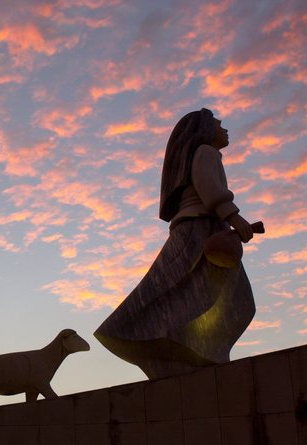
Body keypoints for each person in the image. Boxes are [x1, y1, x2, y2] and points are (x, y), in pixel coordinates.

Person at [94, 108, 256, 379]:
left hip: (205, 228)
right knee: (187, 292)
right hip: (201, 230)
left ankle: (193, 351)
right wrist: (233, 216)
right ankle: (166, 342)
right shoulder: (205, 151)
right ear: (204, 130)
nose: (225, 129)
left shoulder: (205, 152)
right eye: (219, 124)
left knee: (216, 297)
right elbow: (208, 187)